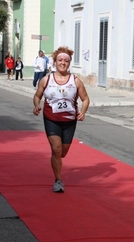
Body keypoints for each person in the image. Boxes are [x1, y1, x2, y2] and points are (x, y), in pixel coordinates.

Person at [32, 46, 90, 193]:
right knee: (56, 149)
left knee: (63, 152)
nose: (63, 63)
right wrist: (37, 105)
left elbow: (85, 98)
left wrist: (83, 112)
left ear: (69, 63)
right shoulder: (46, 80)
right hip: (51, 118)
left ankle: (57, 163)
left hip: (70, 121)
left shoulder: (76, 81)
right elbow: (37, 95)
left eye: (66, 60)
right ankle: (58, 180)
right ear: (55, 62)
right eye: (60, 60)